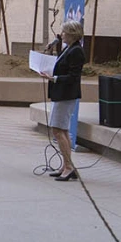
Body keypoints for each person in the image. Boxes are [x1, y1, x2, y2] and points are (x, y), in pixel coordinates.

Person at [40, 20, 85, 182]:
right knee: (62, 130)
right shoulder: (68, 49)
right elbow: (60, 66)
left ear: (72, 34)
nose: (62, 35)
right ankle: (66, 165)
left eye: (64, 32)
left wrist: (54, 78)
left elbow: (74, 77)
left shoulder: (77, 52)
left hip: (66, 94)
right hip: (62, 94)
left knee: (57, 130)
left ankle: (69, 167)